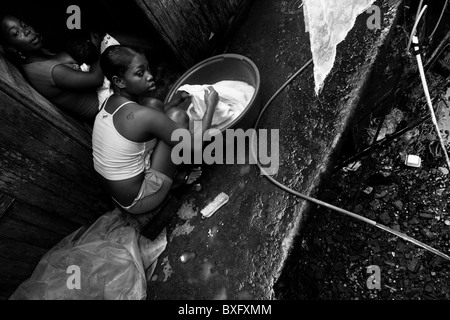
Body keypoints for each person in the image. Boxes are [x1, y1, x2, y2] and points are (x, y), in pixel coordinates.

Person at [93, 45, 218, 230]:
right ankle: (177, 179)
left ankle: (172, 173)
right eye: (139, 73)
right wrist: (210, 106)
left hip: (120, 193)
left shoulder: (111, 103)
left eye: (147, 69)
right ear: (119, 81)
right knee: (178, 117)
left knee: (154, 104)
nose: (149, 76)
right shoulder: (139, 115)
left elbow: (153, 117)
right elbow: (194, 145)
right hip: (140, 199)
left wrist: (177, 99)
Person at [0, 13, 104, 121]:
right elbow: (96, 79)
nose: (26, 31)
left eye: (24, 25)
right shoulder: (45, 70)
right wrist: (98, 48)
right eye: (16, 33)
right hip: (104, 108)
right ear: (11, 48)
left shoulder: (40, 54)